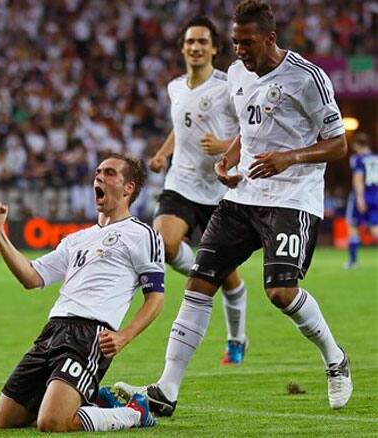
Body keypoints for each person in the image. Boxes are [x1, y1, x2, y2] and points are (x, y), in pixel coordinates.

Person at [115, 0, 353, 415]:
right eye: (236, 43)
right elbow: (248, 127)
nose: (239, 51)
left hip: (292, 198)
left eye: (247, 43)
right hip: (243, 196)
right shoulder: (239, 75)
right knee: (199, 284)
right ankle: (166, 390)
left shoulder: (307, 78)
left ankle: (335, 358)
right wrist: (229, 160)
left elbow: (338, 143)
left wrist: (288, 157)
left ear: (269, 38)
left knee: (280, 292)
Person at [0, 153, 165, 432]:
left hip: (90, 335)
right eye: (97, 172)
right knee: (6, 420)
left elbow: (155, 298)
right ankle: (94, 401)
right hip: (51, 331)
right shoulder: (76, 239)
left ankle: (134, 412)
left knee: (52, 422)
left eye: (109, 173)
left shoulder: (142, 234)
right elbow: (32, 278)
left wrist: (124, 336)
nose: (99, 177)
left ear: (128, 188)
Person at [146, 15, 249, 366]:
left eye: (202, 42)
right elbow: (181, 126)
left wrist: (223, 144)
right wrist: (162, 154)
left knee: (228, 277)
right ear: (182, 48)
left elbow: (252, 128)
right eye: (190, 41)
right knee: (164, 244)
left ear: (215, 48)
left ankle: (237, 339)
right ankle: (200, 271)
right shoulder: (175, 87)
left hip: (221, 189)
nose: (195, 47)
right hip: (181, 182)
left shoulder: (226, 87)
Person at [344, 132, 378, 268]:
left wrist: (359, 198)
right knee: (375, 227)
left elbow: (358, 179)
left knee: (352, 226)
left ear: (357, 145)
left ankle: (353, 261)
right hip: (375, 195)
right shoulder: (375, 158)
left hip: (363, 195)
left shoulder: (358, 159)